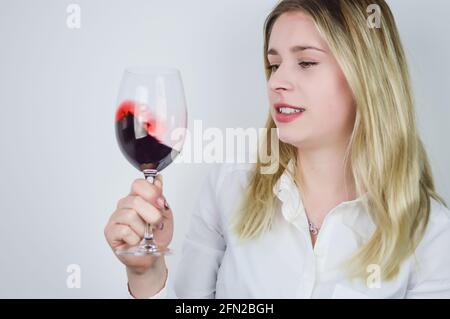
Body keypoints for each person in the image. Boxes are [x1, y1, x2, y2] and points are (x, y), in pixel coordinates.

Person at [104, 0, 450, 298]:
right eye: (273, 64)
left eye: (306, 63)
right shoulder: (229, 186)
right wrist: (145, 273)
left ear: (368, 75)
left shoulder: (431, 232)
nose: (276, 82)